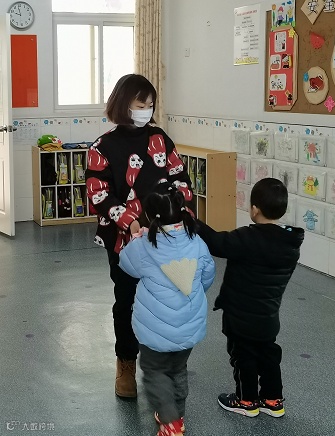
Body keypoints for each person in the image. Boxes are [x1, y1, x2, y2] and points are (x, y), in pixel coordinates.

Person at [85, 74, 194, 398]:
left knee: (165, 302)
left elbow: (181, 180)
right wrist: (129, 220)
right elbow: (98, 193)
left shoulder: (160, 138)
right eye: (140, 104)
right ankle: (126, 364)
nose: (146, 110)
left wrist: (172, 211)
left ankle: (164, 365)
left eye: (150, 105)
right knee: (127, 301)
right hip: (124, 241)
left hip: (165, 237)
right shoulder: (102, 147)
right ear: (123, 104)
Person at [197, 177, 304, 418]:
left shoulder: (247, 238)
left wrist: (193, 222)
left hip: (240, 316)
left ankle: (246, 401)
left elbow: (216, 243)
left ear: (254, 209)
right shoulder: (290, 243)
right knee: (269, 355)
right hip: (268, 315)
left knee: (243, 357)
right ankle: (273, 401)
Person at [119, 182, 216, 436]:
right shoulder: (197, 241)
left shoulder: (144, 246)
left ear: (149, 216)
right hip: (188, 325)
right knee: (177, 369)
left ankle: (170, 421)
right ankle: (176, 416)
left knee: (155, 371)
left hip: (155, 330)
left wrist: (135, 238)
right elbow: (207, 276)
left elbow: (125, 264)